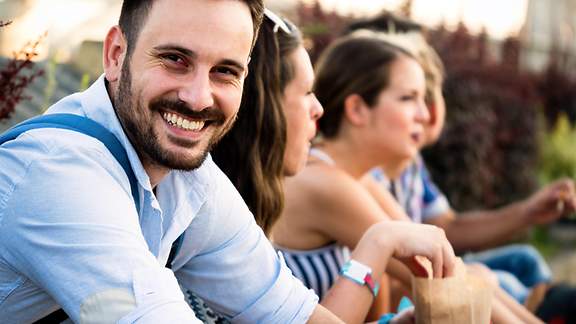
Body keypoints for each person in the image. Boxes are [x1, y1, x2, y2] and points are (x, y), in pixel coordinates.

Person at [0, 0, 343, 322]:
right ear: (116, 54)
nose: (198, 98)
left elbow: (290, 312)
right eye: (175, 59)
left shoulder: (189, 179)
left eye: (224, 71)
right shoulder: (60, 174)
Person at [206, 10, 455, 324]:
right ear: (267, 108)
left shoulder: (247, 207)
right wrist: (378, 243)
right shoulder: (213, 221)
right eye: (306, 92)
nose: (318, 108)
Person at [348, 13, 576, 310]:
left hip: (422, 285)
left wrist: (528, 212)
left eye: (427, 90)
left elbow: (446, 227)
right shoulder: (356, 179)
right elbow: (413, 278)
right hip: (412, 295)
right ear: (357, 107)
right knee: (495, 283)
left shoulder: (404, 163)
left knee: (516, 266)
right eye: (410, 96)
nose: (427, 111)